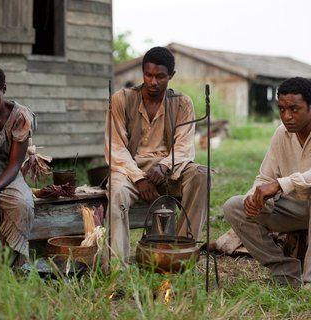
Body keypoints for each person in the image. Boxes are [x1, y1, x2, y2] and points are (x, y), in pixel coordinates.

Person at [105, 46, 207, 262]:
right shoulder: (121, 99)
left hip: (169, 171)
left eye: (160, 76)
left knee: (201, 175)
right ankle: (117, 266)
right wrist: (140, 178)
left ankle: (181, 254)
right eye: (148, 75)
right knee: (116, 192)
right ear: (142, 73)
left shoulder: (181, 102)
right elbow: (116, 148)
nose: (153, 82)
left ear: (171, 76)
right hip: (129, 170)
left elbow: (184, 146)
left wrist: (164, 165)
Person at [223, 77, 311, 288]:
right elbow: (265, 177)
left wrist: (280, 185)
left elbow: (277, 183)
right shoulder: (282, 134)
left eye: (294, 109)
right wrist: (254, 197)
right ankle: (286, 270)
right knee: (234, 206)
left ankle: (309, 283)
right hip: (294, 209)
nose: (287, 116)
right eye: (281, 109)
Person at [0, 64, 35, 265]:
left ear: (4, 90)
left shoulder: (19, 116)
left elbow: (14, 164)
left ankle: (9, 265)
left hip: (7, 170)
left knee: (22, 203)